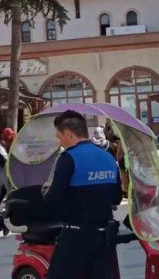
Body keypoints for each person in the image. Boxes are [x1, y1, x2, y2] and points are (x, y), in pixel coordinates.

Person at [43, 110, 122, 279]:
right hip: (104, 237)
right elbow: (117, 198)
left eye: (59, 136)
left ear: (68, 134)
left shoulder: (68, 158)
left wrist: (46, 191)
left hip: (76, 236)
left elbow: (52, 200)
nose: (59, 141)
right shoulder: (108, 158)